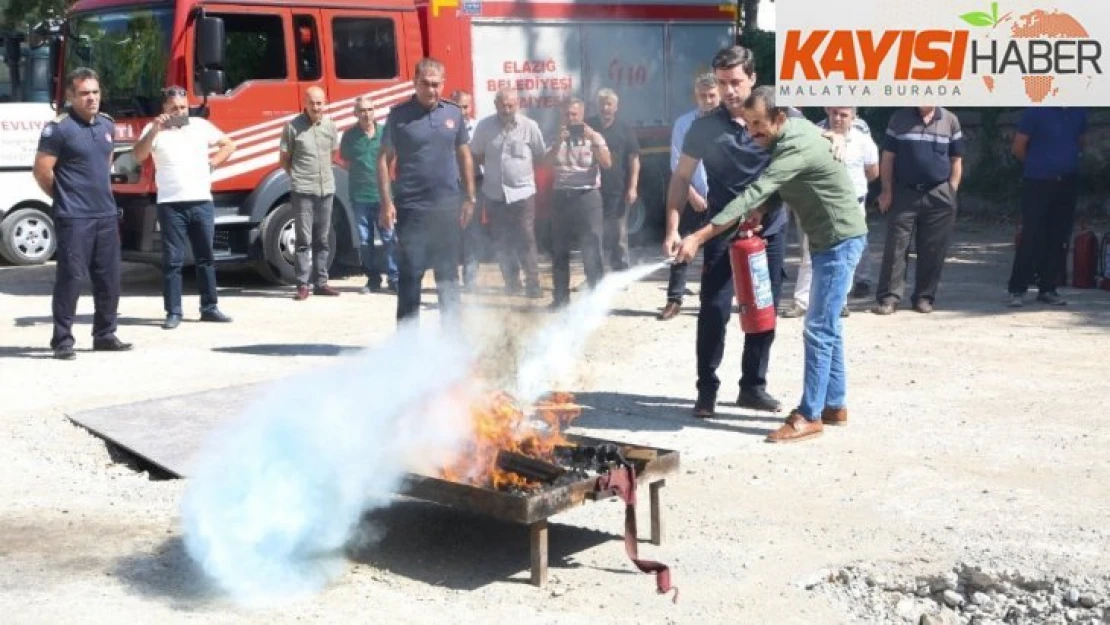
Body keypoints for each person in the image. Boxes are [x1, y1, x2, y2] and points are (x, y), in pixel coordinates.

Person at [674, 86, 867, 444]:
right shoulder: (791, 133)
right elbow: (779, 190)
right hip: (833, 240)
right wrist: (762, 211)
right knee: (829, 327)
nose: (751, 133)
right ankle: (835, 405)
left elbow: (756, 191)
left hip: (839, 243)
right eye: (747, 125)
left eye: (758, 124)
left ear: (779, 118)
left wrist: (699, 237)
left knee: (819, 328)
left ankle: (809, 415)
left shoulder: (793, 144)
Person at [663, 46, 795, 418]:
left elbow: (810, 140)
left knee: (763, 311)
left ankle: (753, 387)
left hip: (769, 229)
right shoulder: (703, 128)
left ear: (752, 78)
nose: (729, 91)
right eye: (722, 83)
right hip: (720, 231)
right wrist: (673, 226)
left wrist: (831, 139)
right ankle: (707, 389)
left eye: (736, 82)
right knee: (714, 310)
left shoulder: (777, 114)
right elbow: (682, 177)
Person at [32, 67, 132, 360]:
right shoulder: (59, 129)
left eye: (95, 92)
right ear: (71, 96)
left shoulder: (106, 125)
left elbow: (106, 163)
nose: (92, 98)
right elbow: (41, 172)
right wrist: (65, 198)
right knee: (71, 278)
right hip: (74, 217)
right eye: (85, 93)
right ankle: (62, 340)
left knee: (109, 278)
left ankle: (105, 334)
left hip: (105, 214)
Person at [378, 58, 475, 325]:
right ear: (415, 82)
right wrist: (386, 203)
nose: (431, 90)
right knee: (411, 275)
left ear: (443, 84)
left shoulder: (453, 114)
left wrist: (469, 196)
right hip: (411, 208)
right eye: (425, 84)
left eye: (436, 85)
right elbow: (384, 160)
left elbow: (465, 155)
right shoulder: (398, 115)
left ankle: (451, 341)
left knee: (448, 276)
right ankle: (408, 345)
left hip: (447, 207)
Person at [132, 85, 236, 329]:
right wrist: (154, 130)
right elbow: (138, 156)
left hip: (201, 201)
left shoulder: (200, 126)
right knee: (173, 260)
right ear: (164, 109)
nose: (180, 111)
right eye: (174, 108)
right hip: (170, 204)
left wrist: (213, 164)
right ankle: (174, 312)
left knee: (206, 257)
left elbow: (229, 145)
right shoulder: (153, 129)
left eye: (183, 107)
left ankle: (210, 307)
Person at [782, 107, 878, 318]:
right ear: (827, 111)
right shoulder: (814, 135)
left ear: (853, 116)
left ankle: (840, 301)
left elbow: (872, 171)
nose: (838, 119)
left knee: (848, 257)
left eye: (843, 115)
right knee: (810, 253)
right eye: (834, 113)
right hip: (820, 205)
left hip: (852, 206)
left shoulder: (863, 141)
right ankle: (801, 301)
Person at [873, 105, 964, 315]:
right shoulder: (899, 118)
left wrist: (951, 191)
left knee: (933, 249)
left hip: (939, 194)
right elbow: (888, 158)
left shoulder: (950, 120)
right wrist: (886, 191)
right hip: (904, 192)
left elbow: (956, 160)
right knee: (896, 247)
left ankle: (924, 297)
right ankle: (889, 298)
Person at [469, 87, 546, 298]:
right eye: (503, 104)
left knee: (526, 238)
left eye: (511, 104)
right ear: (496, 105)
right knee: (502, 241)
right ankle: (512, 282)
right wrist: (493, 170)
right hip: (494, 194)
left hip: (523, 193)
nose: (507, 108)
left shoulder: (530, 127)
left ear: (517, 105)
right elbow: (475, 153)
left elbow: (540, 155)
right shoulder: (484, 127)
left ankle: (533, 283)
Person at [1006, 107, 1086, 307]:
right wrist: (1037, 164)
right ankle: (1018, 289)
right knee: (1032, 235)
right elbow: (1018, 147)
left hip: (1067, 182)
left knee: (1059, 236)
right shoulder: (1036, 111)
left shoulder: (1079, 111)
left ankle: (1048, 288)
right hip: (1038, 182)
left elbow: (1081, 142)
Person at [659, 73, 719, 321]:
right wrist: (692, 194)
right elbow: (677, 163)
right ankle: (674, 299)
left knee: (718, 252)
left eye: (712, 95)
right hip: (692, 194)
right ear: (696, 96)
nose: (708, 101)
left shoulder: (728, 121)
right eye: (703, 96)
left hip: (721, 199)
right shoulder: (684, 124)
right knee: (681, 247)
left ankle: (711, 301)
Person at [544, 96, 612, 307]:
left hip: (587, 196)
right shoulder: (554, 136)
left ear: (582, 114)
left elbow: (607, 163)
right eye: (566, 114)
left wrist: (593, 141)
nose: (570, 118)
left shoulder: (595, 136)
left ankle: (596, 299)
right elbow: (545, 166)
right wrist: (557, 142)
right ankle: (561, 298)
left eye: (574, 114)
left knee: (592, 248)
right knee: (560, 249)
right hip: (561, 196)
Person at [279, 86, 341, 300]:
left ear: (324, 104)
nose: (316, 107)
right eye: (312, 103)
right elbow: (284, 159)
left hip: (326, 188)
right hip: (303, 190)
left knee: (322, 239)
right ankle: (303, 285)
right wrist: (298, 177)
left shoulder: (331, 126)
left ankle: (321, 283)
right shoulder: (292, 127)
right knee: (304, 239)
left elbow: (333, 153)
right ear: (304, 103)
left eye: (319, 103)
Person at [340, 95, 397, 294]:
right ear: (355, 114)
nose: (366, 114)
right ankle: (373, 280)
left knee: (390, 238)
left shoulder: (384, 133)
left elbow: (392, 161)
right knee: (365, 241)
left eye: (370, 109)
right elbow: (345, 163)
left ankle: (394, 278)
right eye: (362, 110)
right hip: (360, 197)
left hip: (383, 197)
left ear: (375, 111)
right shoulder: (349, 136)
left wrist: (389, 193)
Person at [587, 88, 640, 271]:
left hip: (618, 189)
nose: (605, 108)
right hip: (591, 190)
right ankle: (596, 273)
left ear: (616, 107)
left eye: (609, 104)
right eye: (602, 104)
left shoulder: (625, 129)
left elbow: (634, 160)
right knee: (594, 233)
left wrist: (632, 187)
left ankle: (620, 270)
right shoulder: (589, 127)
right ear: (597, 106)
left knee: (619, 234)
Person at [453, 89, 490, 290]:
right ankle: (450, 279)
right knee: (451, 231)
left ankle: (470, 279)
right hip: (451, 184)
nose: (461, 111)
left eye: (465, 107)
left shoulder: (479, 128)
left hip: (475, 183)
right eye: (457, 106)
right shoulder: (445, 127)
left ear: (471, 106)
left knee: (472, 230)